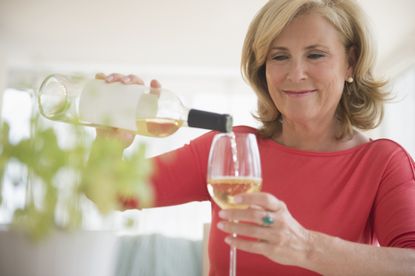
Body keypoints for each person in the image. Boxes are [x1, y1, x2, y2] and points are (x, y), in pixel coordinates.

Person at [95, 0, 415, 274]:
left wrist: (304, 247)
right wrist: (110, 138)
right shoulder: (230, 148)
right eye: (279, 56)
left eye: (315, 55)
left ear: (351, 62)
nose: (295, 73)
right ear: (263, 68)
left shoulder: (383, 163)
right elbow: (109, 193)